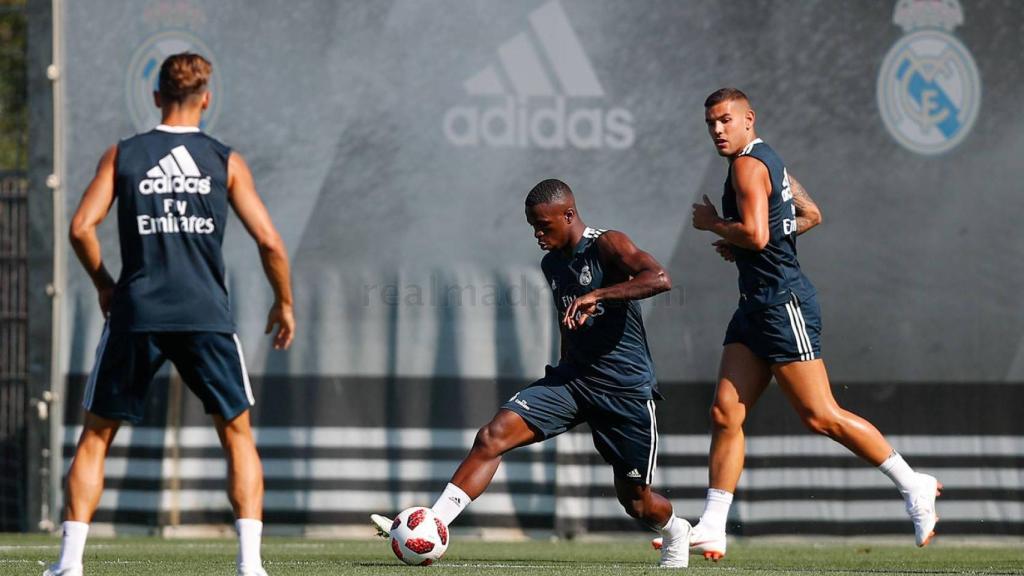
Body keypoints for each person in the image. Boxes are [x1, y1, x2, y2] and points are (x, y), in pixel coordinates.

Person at [654, 88, 939, 559]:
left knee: (821, 415)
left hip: (782, 304)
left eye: (726, 120)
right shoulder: (767, 159)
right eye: (711, 123)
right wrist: (743, 240)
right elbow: (809, 215)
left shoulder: (748, 165)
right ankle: (714, 524)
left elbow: (758, 232)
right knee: (726, 412)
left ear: (749, 119)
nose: (718, 130)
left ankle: (914, 484)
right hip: (754, 307)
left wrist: (714, 225)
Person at [45, 53, 294, 576]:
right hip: (206, 314)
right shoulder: (225, 160)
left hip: (137, 313)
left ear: (156, 96)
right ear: (206, 99)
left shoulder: (124, 155)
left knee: (95, 437)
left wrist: (105, 285)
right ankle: (250, 566)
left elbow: (79, 227)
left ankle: (70, 565)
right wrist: (284, 301)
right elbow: (270, 242)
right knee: (237, 436)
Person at [371, 179, 693, 568]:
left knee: (638, 503)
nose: (538, 235)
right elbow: (568, 320)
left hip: (623, 392)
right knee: (492, 436)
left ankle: (676, 530)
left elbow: (659, 278)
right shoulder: (552, 263)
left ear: (569, 215)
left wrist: (599, 294)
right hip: (572, 382)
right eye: (532, 227)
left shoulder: (608, 244)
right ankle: (434, 524)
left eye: (544, 226)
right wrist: (564, 361)